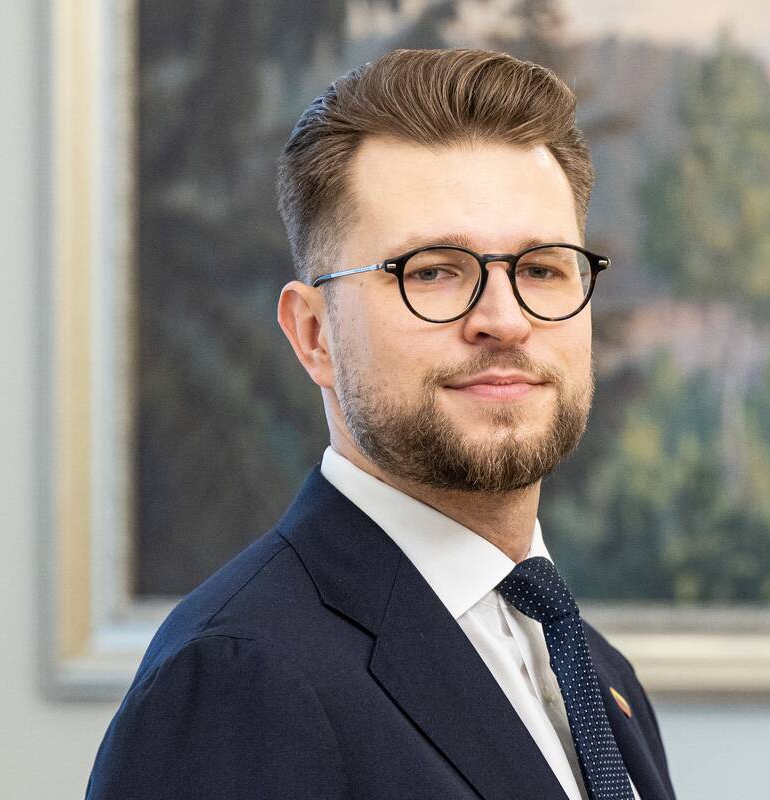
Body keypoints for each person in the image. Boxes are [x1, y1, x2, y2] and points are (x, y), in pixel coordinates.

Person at [87, 48, 675, 800]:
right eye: (433, 270)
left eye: (542, 269)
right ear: (313, 335)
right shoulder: (240, 677)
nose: (504, 320)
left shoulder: (594, 673)